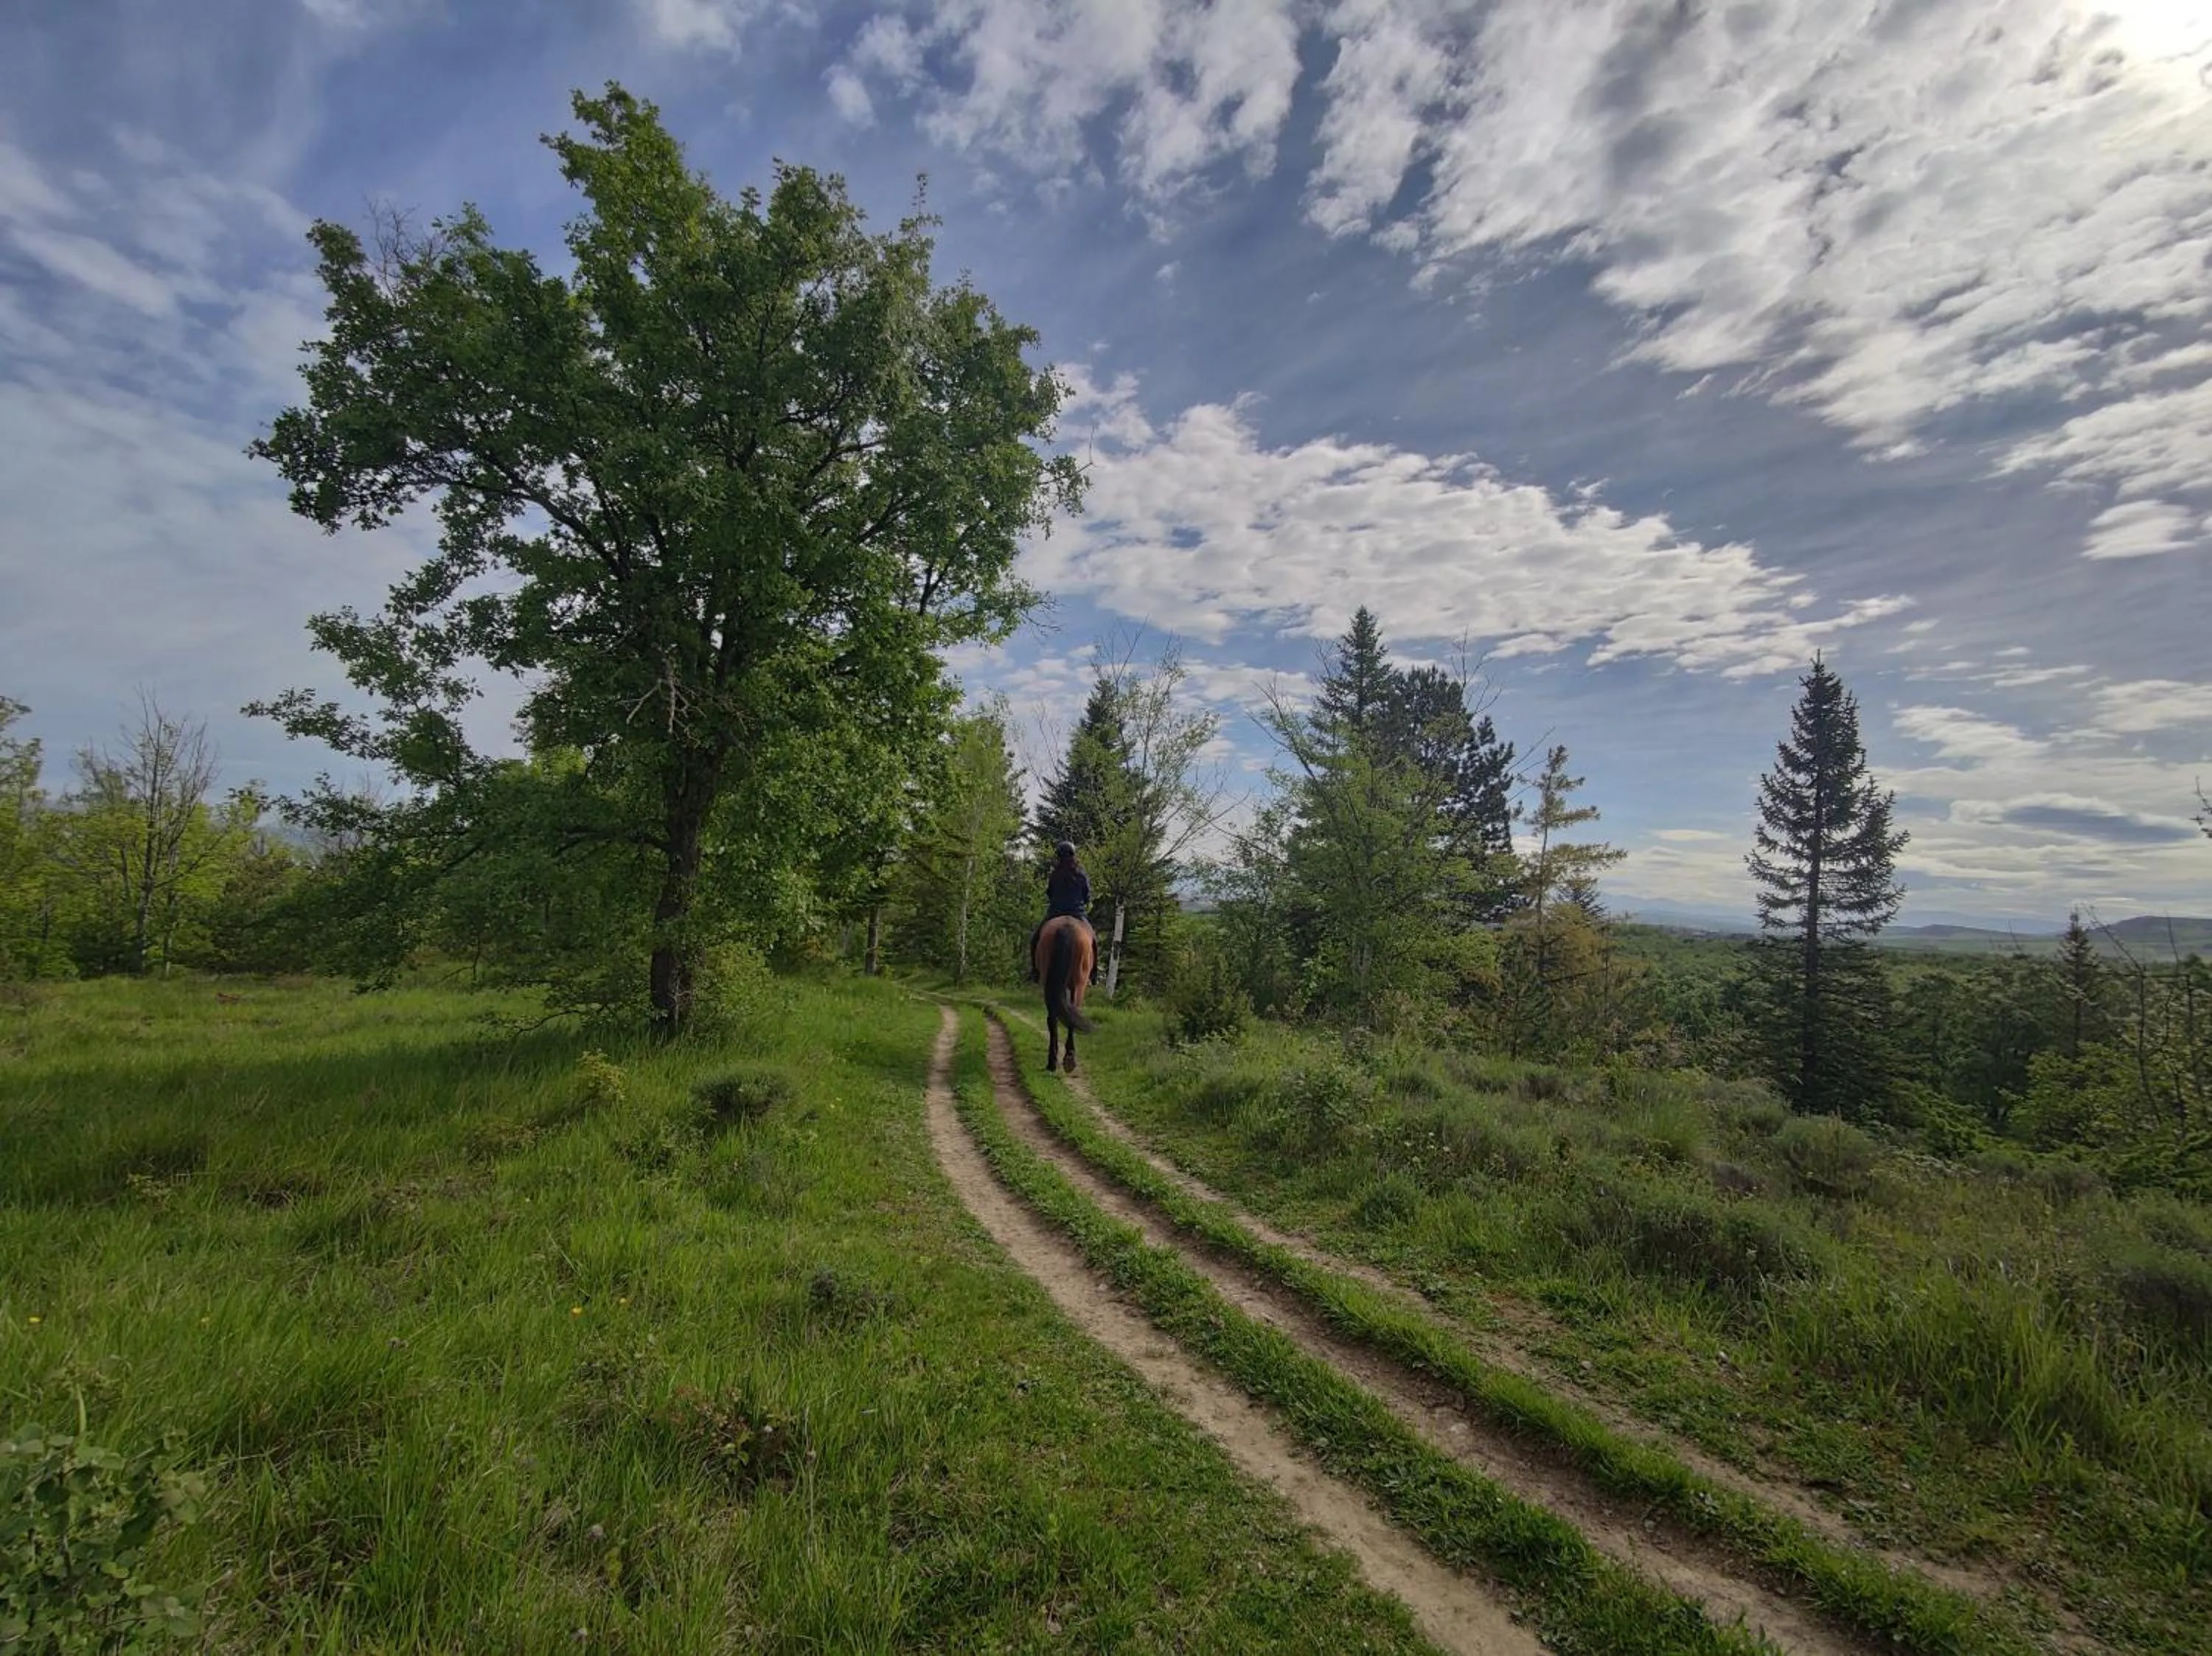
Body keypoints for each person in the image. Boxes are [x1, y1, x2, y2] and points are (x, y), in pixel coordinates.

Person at [1029, 841, 1098, 984]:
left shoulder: (1054, 874)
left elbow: (1050, 893)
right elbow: (1087, 897)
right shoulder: (1081, 875)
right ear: (1073, 855)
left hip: (1055, 913)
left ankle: (1035, 971)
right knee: (1093, 940)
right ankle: (1093, 973)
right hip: (1077, 914)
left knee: (1035, 938)